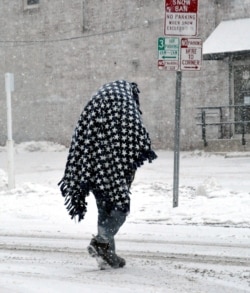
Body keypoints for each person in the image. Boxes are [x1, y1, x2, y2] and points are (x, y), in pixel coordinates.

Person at [59, 80, 157, 269]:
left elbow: (80, 140)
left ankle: (107, 255)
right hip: (115, 168)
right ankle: (102, 242)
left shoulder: (95, 106)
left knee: (104, 209)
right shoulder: (125, 106)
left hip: (92, 167)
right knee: (120, 207)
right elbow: (137, 138)